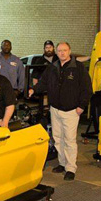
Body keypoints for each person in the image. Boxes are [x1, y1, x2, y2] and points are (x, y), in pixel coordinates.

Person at [29, 42, 92, 180]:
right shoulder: (53, 67)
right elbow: (43, 82)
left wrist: (82, 106)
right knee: (58, 138)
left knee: (69, 140)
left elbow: (87, 89)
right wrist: (33, 89)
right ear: (56, 52)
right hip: (55, 109)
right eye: (60, 51)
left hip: (71, 111)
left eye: (65, 50)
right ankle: (62, 163)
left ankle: (71, 168)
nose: (62, 53)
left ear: (69, 51)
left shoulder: (78, 67)